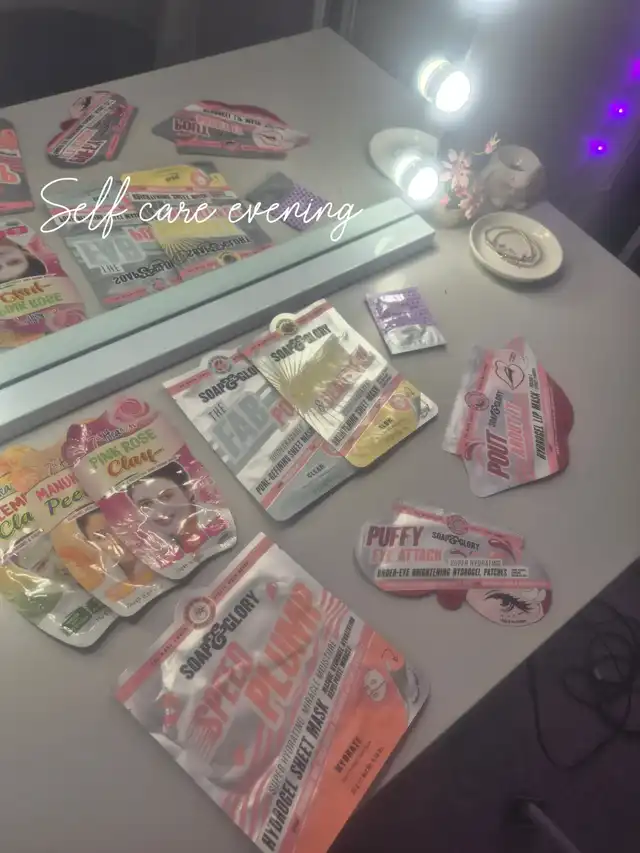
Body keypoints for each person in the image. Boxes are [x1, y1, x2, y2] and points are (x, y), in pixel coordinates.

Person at [128, 461, 206, 553]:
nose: (159, 512)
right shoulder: (154, 552)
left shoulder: (220, 521)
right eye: (147, 504)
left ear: (188, 491)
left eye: (166, 497)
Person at [76, 507, 151, 586]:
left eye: (118, 527)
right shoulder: (101, 585)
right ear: (89, 543)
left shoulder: (156, 554)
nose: (116, 540)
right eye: (101, 536)